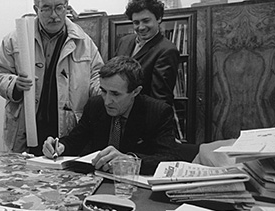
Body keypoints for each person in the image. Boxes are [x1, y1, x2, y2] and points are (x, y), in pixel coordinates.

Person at [0, 0, 103, 155]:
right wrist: (14, 84)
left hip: (66, 131)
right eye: (47, 8)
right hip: (26, 128)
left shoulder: (84, 42)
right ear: (36, 9)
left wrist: (108, 91)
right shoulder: (15, 39)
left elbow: (97, 76)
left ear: (67, 6)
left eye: (59, 7)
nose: (54, 15)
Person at [42, 56, 179, 175]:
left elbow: (168, 160)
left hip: (132, 186)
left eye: (115, 94)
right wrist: (59, 146)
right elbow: (75, 140)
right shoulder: (95, 105)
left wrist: (129, 160)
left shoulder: (158, 112)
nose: (107, 101)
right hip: (97, 180)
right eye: (103, 91)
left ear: (136, 92)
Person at [112, 0, 179, 106]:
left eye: (146, 21)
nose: (141, 27)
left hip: (142, 115)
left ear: (158, 19)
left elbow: (160, 98)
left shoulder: (167, 50)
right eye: (136, 23)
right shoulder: (124, 41)